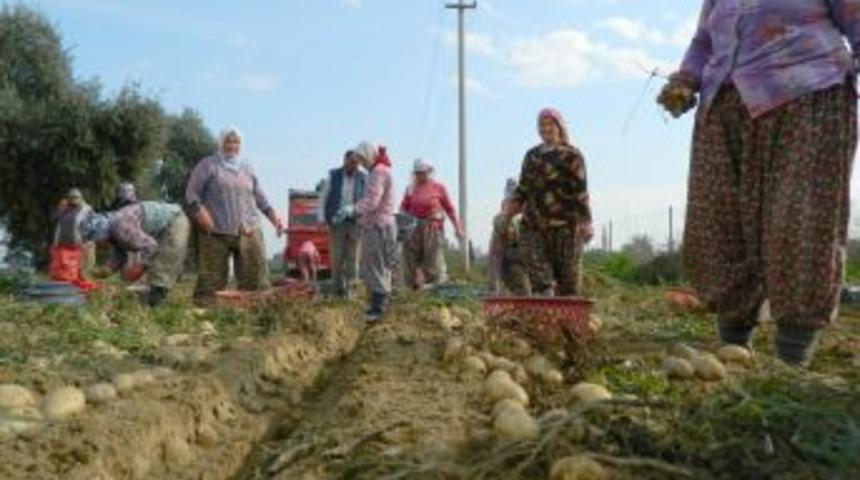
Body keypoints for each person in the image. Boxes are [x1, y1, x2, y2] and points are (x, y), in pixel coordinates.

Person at [657, 0, 860, 367]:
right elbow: (703, 42)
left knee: (797, 224)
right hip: (723, 108)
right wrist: (685, 79)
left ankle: (790, 363)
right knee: (719, 226)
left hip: (806, 97)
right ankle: (734, 352)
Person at [185, 127, 285, 306]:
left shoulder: (247, 167)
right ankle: (206, 312)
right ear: (220, 143)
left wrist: (274, 218)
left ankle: (255, 310)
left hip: (248, 228)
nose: (232, 145)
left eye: (236, 142)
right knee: (211, 280)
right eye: (228, 141)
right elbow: (191, 193)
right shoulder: (208, 165)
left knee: (255, 277)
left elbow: (260, 197)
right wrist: (200, 212)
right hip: (215, 230)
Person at [506, 108, 593, 297]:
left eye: (550, 124)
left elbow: (581, 191)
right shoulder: (532, 156)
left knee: (568, 281)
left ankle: (569, 319)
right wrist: (509, 212)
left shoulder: (572, 155)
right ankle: (545, 311)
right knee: (540, 277)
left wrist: (586, 222)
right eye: (542, 125)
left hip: (565, 225)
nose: (546, 129)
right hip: (534, 224)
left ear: (559, 126)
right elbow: (523, 187)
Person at [81, 201, 191, 307]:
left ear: (101, 234)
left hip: (174, 220)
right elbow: (120, 253)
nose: (98, 244)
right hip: (159, 228)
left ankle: (155, 299)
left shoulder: (121, 226)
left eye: (96, 240)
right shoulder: (114, 231)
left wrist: (139, 266)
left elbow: (150, 246)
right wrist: (107, 270)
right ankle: (149, 294)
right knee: (133, 272)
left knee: (164, 262)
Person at [338, 141, 397, 322]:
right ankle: (380, 304)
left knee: (375, 265)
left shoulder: (378, 172)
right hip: (382, 224)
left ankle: (378, 308)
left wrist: (352, 209)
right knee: (381, 266)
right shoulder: (382, 170)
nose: (361, 164)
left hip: (378, 226)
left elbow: (373, 201)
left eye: (362, 159)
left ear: (368, 155)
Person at [399, 159, 462, 289]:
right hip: (413, 227)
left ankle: (435, 287)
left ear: (429, 172)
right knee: (409, 258)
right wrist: (402, 225)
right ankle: (410, 288)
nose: (420, 176)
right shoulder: (410, 188)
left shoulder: (439, 188)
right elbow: (403, 207)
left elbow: (449, 209)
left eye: (423, 173)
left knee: (433, 259)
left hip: (433, 227)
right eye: (417, 173)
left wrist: (457, 227)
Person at [319, 150, 367, 298]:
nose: (354, 165)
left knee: (353, 258)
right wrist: (321, 219)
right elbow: (323, 198)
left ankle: (352, 293)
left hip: (355, 222)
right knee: (337, 257)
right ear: (344, 161)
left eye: (357, 162)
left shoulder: (363, 178)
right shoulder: (332, 176)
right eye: (352, 162)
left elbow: (366, 200)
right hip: (336, 223)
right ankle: (337, 291)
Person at [489, 179, 529, 296]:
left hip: (532, 263)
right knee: (524, 295)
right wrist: (495, 282)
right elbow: (495, 252)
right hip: (512, 264)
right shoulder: (501, 220)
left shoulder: (530, 215)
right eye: (512, 200)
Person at [52, 188, 95, 282]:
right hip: (66, 248)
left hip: (83, 247)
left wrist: (87, 243)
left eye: (76, 198)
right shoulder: (65, 209)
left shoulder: (87, 209)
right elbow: (57, 223)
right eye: (71, 198)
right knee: (66, 274)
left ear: (81, 198)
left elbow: (92, 228)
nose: (73, 201)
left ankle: (85, 293)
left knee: (84, 273)